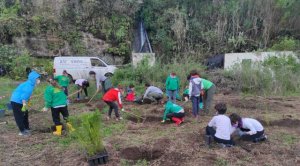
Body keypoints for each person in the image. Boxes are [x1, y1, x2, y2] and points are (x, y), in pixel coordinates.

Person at [10, 71, 40, 136]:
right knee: (19, 116)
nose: (38, 80)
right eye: (37, 79)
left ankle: (26, 128)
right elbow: (23, 97)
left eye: (38, 79)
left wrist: (27, 102)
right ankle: (22, 131)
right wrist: (24, 105)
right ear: (33, 79)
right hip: (16, 101)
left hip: (20, 101)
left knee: (25, 114)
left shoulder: (30, 84)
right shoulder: (28, 86)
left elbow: (26, 95)